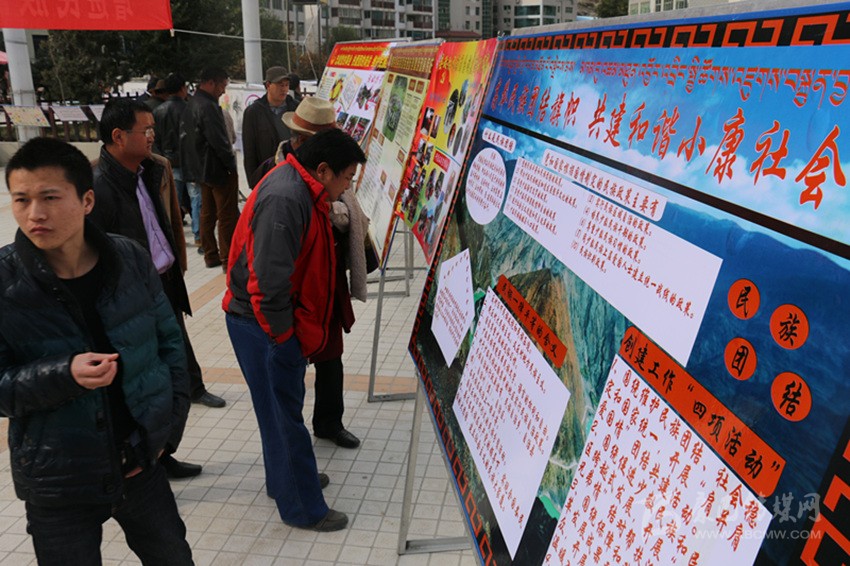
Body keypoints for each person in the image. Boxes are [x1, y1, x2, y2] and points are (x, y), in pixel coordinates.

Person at [0, 137, 193, 564]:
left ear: (87, 200)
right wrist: (63, 374)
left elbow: (171, 345)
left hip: (140, 463)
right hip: (58, 480)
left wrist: (165, 433)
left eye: (50, 197)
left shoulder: (129, 259)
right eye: (21, 199)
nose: (35, 214)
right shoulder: (5, 282)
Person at [223, 128, 366, 531]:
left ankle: (285, 481)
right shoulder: (286, 198)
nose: (347, 187)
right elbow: (268, 284)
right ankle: (303, 507)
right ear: (323, 170)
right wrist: (283, 339)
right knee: (285, 417)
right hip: (263, 325)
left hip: (269, 323)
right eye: (346, 178)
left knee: (277, 413)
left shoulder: (302, 186)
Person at [90, 98, 225, 444]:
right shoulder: (97, 188)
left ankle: (170, 442)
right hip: (132, 296)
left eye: (152, 129)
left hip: (163, 281)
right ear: (118, 136)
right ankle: (155, 451)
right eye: (145, 130)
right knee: (149, 373)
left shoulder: (148, 170)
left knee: (176, 354)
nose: (152, 136)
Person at [278, 97, 366, 449]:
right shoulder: (281, 178)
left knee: (331, 353)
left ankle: (329, 422)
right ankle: (293, 442)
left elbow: (348, 207)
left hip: (328, 272)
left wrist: (342, 218)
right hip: (296, 282)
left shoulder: (335, 169)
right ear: (301, 140)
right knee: (292, 363)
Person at [180, 67, 239, 270]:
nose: (223, 91)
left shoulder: (192, 103)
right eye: (222, 85)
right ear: (211, 82)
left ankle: (211, 255)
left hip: (201, 169)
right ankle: (228, 259)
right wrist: (231, 165)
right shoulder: (208, 106)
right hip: (218, 169)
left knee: (207, 213)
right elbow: (219, 140)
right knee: (227, 215)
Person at [153, 73, 197, 242]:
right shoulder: (189, 109)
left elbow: (155, 139)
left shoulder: (158, 111)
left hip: (168, 161)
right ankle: (199, 235)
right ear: (182, 89)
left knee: (172, 202)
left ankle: (173, 238)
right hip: (190, 162)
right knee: (196, 199)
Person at [242, 66, 297, 188]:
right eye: (280, 85)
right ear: (268, 85)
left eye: (286, 85)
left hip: (294, 173)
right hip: (267, 174)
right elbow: (249, 150)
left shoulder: (296, 108)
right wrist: (253, 181)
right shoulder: (254, 112)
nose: (284, 89)